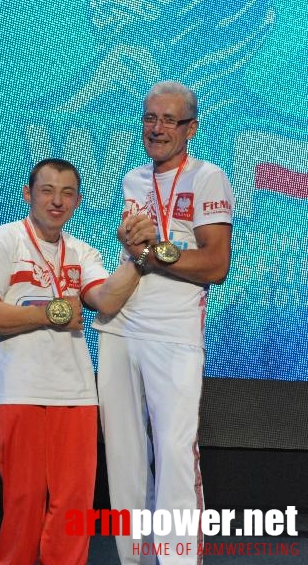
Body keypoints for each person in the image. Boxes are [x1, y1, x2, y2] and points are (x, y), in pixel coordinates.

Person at [0, 158, 145, 565]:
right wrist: (51, 313)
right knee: (24, 506)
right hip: (17, 390)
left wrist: (141, 258)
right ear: (28, 194)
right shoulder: (2, 241)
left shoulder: (84, 252)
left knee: (72, 510)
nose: (56, 201)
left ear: (78, 201)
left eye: (66, 193)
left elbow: (107, 300)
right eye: (47, 190)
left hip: (77, 395)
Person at [93, 81, 235, 563]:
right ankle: (132, 558)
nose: (156, 129)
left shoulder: (208, 178)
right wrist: (138, 251)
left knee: (174, 456)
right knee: (123, 457)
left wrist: (155, 249)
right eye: (150, 118)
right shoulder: (133, 179)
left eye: (169, 120)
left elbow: (215, 265)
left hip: (173, 333)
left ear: (191, 128)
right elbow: (139, 254)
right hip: (120, 326)